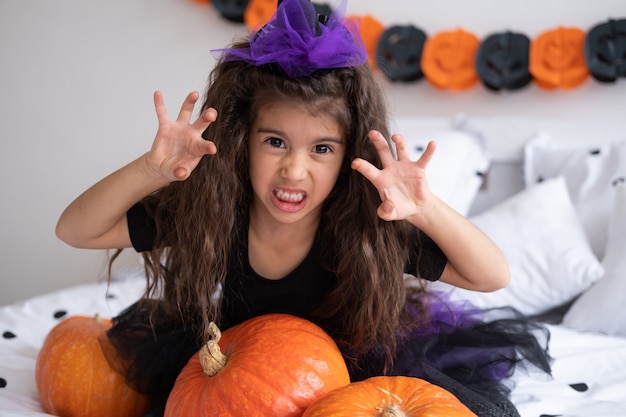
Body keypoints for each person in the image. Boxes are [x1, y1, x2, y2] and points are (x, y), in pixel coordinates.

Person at [56, 0, 551, 416]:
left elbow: (492, 275)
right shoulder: (212, 212)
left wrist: (424, 208)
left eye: (321, 149)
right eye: (275, 142)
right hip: (245, 376)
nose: (294, 171)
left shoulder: (365, 226)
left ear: (347, 155)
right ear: (240, 142)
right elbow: (75, 230)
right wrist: (150, 170)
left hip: (349, 378)